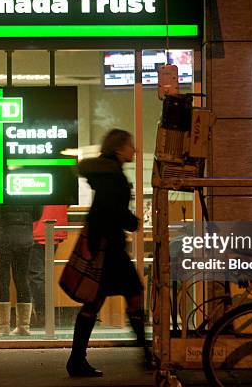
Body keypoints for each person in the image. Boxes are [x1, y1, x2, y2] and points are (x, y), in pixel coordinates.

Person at [66, 129, 151, 377]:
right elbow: (112, 208)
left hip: (102, 246)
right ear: (118, 148)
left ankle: (77, 359)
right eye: (130, 146)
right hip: (109, 248)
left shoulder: (105, 172)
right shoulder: (113, 175)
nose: (134, 150)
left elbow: (107, 206)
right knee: (130, 293)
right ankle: (145, 353)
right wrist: (133, 222)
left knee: (97, 300)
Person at [0, 173, 43, 336]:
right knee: (22, 279)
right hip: (24, 237)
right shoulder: (27, 176)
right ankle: (24, 326)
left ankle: (3, 326)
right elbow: (37, 213)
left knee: (2, 280)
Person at [29, 205, 68, 327]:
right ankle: (46, 316)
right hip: (54, 226)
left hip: (37, 227)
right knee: (44, 274)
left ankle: (43, 317)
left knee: (37, 275)